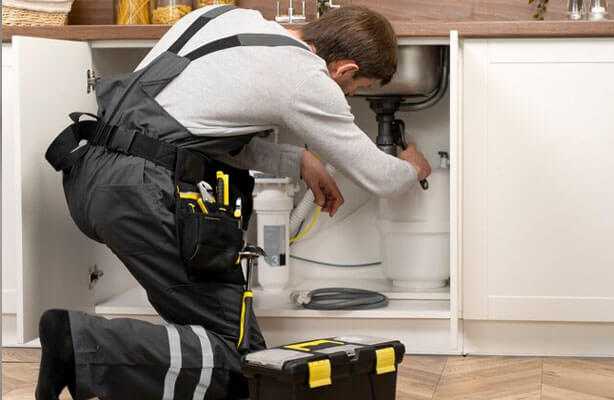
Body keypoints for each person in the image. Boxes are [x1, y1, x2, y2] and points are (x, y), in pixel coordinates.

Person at [38, 5, 431, 400]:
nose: (349, 95)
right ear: (344, 69)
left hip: (91, 174)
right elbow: (382, 177)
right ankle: (81, 344)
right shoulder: (305, 77)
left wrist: (298, 159)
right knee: (245, 365)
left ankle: (88, 349)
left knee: (219, 344)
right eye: (356, 88)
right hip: (144, 194)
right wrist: (414, 166)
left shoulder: (226, 16)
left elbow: (189, 125)